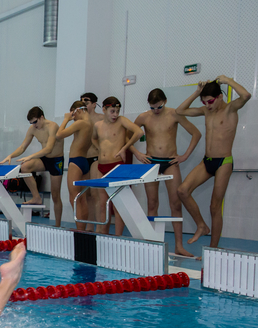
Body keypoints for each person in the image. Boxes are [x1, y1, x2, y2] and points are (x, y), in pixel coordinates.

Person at [176, 76, 251, 248]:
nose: (207, 105)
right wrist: (197, 92)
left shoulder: (231, 109)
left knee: (214, 206)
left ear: (220, 97)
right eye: (204, 103)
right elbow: (180, 111)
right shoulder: (206, 111)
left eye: (210, 101)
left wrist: (228, 80)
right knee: (183, 190)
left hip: (223, 162)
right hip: (207, 161)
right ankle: (202, 225)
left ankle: (213, 248)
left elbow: (246, 96)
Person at [131, 88, 201, 256]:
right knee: (152, 204)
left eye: (159, 107)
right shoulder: (143, 117)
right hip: (151, 163)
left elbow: (196, 134)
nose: (156, 111)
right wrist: (137, 153)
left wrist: (184, 156)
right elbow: (127, 137)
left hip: (170, 162)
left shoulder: (174, 114)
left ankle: (179, 246)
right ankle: (152, 243)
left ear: (165, 102)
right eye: (153, 107)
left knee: (175, 204)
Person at [0, 106, 64, 227]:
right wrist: (10, 155)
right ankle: (36, 197)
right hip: (45, 159)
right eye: (31, 123)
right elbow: (22, 147)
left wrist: (30, 156)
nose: (34, 125)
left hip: (56, 160)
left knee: (55, 196)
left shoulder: (53, 126)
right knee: (24, 167)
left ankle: (58, 225)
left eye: (35, 122)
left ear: (42, 117)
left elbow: (49, 148)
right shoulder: (32, 129)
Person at [91, 96, 143, 236]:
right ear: (104, 109)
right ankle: (104, 235)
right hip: (101, 167)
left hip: (116, 166)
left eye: (117, 111)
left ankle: (118, 236)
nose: (115, 115)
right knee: (103, 204)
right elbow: (93, 138)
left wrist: (124, 148)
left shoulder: (121, 121)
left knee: (118, 205)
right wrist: (99, 149)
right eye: (112, 111)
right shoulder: (98, 125)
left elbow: (139, 132)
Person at [56, 101, 94, 231]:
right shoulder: (90, 123)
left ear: (78, 110)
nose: (74, 118)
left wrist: (66, 120)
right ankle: (82, 229)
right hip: (84, 162)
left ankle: (79, 229)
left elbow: (59, 135)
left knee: (74, 198)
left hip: (75, 162)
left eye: (74, 114)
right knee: (82, 198)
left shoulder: (81, 123)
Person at [80, 93, 103, 230]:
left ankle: (99, 227)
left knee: (95, 193)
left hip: (96, 158)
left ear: (94, 104)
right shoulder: (80, 120)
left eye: (87, 102)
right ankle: (89, 226)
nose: (84, 104)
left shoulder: (101, 119)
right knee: (87, 194)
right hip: (83, 158)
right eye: (82, 102)